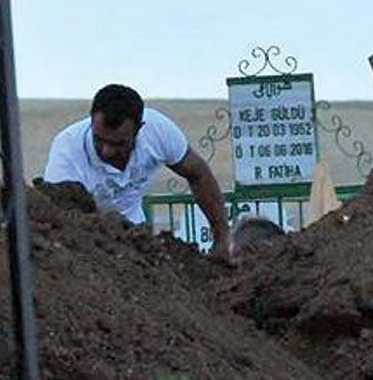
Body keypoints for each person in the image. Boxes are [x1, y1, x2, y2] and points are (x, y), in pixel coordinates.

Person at [43, 84, 232, 257]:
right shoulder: (66, 150)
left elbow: (199, 175)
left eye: (118, 144)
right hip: (90, 249)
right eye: (99, 139)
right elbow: (60, 217)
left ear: (139, 130)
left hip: (138, 242)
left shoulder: (157, 130)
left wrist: (222, 238)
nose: (106, 151)